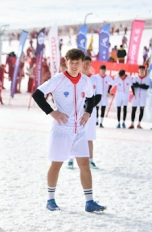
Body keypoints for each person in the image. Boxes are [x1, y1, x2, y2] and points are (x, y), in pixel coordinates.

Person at [32, 48, 106, 213]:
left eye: (77, 63)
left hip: (79, 130)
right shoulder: (58, 79)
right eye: (71, 62)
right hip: (61, 130)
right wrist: (52, 112)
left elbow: (91, 97)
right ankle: (50, 200)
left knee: (84, 164)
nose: (74, 66)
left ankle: (89, 202)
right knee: (57, 164)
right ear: (66, 62)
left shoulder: (85, 81)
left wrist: (88, 112)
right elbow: (37, 94)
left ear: (81, 64)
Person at [67, 56, 101, 170]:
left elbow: (98, 96)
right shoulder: (77, 78)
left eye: (88, 63)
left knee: (89, 137)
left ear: (90, 65)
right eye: (84, 63)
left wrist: (88, 109)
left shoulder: (96, 79)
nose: (86, 65)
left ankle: (90, 160)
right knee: (74, 134)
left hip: (90, 112)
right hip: (78, 111)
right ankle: (71, 160)